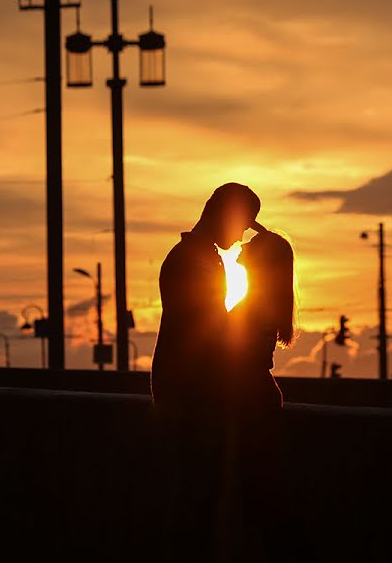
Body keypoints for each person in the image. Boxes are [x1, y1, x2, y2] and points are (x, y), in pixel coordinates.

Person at [149, 182, 260, 561]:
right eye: (243, 224)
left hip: (189, 397)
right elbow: (206, 329)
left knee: (197, 499)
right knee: (194, 500)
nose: (242, 234)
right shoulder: (191, 260)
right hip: (189, 400)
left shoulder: (196, 257)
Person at [225, 229, 298, 562]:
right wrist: (259, 228)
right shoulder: (262, 297)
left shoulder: (257, 302)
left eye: (251, 243)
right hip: (254, 397)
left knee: (260, 499)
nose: (242, 242)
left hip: (251, 401)